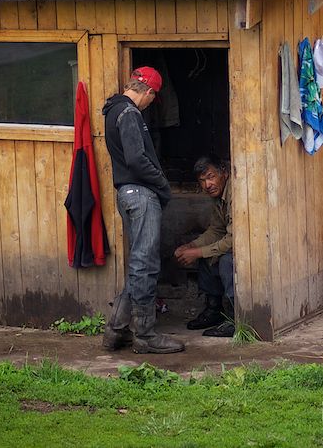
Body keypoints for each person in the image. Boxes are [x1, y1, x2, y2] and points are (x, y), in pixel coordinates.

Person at [101, 66, 184, 354]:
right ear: (147, 91)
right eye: (153, 98)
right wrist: (162, 184)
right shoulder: (130, 114)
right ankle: (145, 335)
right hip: (140, 193)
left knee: (138, 264)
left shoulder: (114, 110)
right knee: (145, 265)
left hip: (127, 193)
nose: (151, 104)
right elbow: (137, 160)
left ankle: (116, 330)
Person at [174, 154, 236, 338]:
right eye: (202, 180)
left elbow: (234, 240)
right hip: (231, 244)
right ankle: (213, 311)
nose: (207, 184)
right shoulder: (218, 196)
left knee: (225, 261)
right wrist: (191, 246)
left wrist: (198, 252)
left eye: (211, 177)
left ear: (223, 173)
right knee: (205, 255)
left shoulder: (235, 191)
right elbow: (216, 230)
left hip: (253, 251)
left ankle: (236, 319)